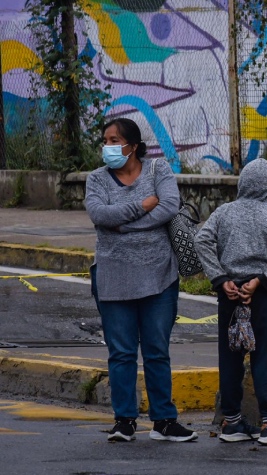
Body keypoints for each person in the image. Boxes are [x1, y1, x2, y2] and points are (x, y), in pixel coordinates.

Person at [85, 117, 198, 443]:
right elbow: (99, 215)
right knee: (121, 353)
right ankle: (124, 421)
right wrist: (143, 206)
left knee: (156, 350)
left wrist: (126, 224)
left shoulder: (157, 171)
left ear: (132, 146)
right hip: (113, 278)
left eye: (114, 140)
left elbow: (170, 207)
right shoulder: (96, 180)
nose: (107, 146)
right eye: (105, 140)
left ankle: (164, 421)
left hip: (159, 276)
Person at [194, 158, 267, 445]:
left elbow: (202, 241)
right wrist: (260, 282)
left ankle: (231, 423)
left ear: (242, 184)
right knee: (262, 359)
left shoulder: (223, 213)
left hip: (229, 296)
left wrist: (221, 279)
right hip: (262, 297)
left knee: (230, 360)